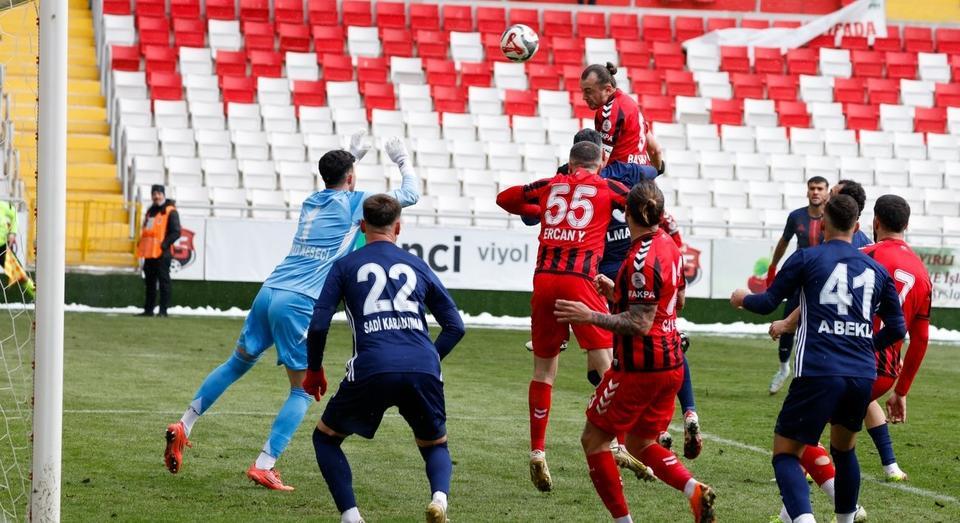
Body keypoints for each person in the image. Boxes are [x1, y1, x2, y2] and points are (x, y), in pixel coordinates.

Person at [162, 134, 419, 490]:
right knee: (302, 391)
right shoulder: (352, 203)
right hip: (299, 301)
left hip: (270, 290)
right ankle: (265, 463)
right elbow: (409, 196)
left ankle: (184, 423)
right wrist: (402, 160)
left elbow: (335, 183)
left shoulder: (312, 200)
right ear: (351, 179)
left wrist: (352, 155)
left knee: (236, 364)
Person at [527, 129, 703, 461]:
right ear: (603, 154)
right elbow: (655, 179)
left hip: (604, 275)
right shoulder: (627, 174)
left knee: (613, 358)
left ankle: (626, 431)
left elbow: (527, 211)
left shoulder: (566, 183)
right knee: (664, 340)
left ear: (574, 158)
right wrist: (658, 160)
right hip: (637, 268)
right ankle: (680, 416)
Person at [730, 194, 906, 523]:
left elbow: (768, 302)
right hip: (860, 374)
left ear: (822, 222)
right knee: (844, 451)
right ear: (856, 227)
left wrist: (742, 299)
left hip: (818, 370)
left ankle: (803, 519)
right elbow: (898, 328)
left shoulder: (808, 258)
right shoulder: (877, 270)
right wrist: (868, 345)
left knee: (786, 453)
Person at [555, 180, 716, 523]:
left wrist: (590, 316)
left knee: (594, 441)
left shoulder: (643, 258)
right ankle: (693, 490)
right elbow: (661, 305)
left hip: (640, 366)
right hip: (670, 363)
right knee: (642, 443)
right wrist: (617, 292)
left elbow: (641, 323)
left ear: (629, 213)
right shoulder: (667, 244)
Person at [305, 194, 465, 523]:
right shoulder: (418, 264)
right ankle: (439, 499)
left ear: (362, 226)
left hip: (373, 366)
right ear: (398, 227)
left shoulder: (345, 266)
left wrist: (314, 369)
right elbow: (455, 326)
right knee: (435, 444)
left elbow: (319, 322)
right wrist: (429, 359)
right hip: (422, 365)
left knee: (325, 438)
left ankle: (352, 518)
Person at [768, 195, 930, 504]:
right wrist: (902, 389)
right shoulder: (921, 272)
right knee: (844, 438)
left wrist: (787, 323)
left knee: (800, 436)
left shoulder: (867, 255)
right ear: (907, 225)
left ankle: (810, 510)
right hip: (884, 371)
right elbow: (919, 339)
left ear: (875, 222)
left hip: (847, 357)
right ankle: (888, 467)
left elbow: (832, 292)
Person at [496, 141, 638, 492]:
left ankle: (537, 451)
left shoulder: (551, 185)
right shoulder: (606, 187)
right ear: (601, 161)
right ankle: (617, 443)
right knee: (608, 364)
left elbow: (505, 198)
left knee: (544, 371)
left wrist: (539, 201)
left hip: (544, 279)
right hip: (580, 281)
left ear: (570, 162)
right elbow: (639, 202)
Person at [765, 176, 830, 394]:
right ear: (807, 191)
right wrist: (773, 267)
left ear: (827, 192)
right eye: (812, 188)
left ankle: (817, 371)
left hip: (823, 279)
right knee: (788, 324)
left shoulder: (833, 217)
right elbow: (784, 242)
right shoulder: (796, 216)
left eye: (819, 188)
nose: (815, 192)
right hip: (800, 278)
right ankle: (784, 368)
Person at [580, 62, 663, 170]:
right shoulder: (631, 105)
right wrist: (655, 173)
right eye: (583, 91)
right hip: (641, 178)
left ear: (608, 90)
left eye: (588, 91)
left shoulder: (609, 111)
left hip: (620, 179)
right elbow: (655, 150)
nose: (584, 97)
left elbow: (600, 163)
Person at [136, 184, 181, 317]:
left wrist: (164, 245)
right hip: (149, 253)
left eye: (158, 193)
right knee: (150, 283)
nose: (156, 196)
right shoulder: (151, 211)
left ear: (163, 194)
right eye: (154, 194)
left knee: (163, 282)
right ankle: (148, 309)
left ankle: (163, 310)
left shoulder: (170, 211)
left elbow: (176, 232)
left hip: (162, 253)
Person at [0, 199, 18, 269]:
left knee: (18, 277)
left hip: (3, 247)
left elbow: (14, 215)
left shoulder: (2, 206)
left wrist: (13, 233)